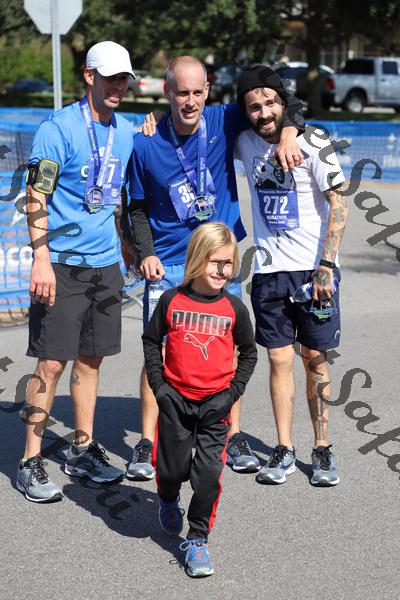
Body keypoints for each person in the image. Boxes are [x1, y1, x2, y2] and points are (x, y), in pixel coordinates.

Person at [126, 55, 305, 481]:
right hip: (169, 263)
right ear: (167, 92)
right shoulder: (145, 142)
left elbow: (289, 102)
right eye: (181, 93)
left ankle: (233, 435)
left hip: (221, 260)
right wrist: (145, 252)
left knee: (225, 350)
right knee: (158, 352)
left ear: (208, 90)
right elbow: (136, 206)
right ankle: (147, 441)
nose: (190, 101)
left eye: (197, 92)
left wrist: (289, 133)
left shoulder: (224, 120)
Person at [16, 41, 136, 502]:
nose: (118, 86)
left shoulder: (125, 132)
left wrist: (125, 244)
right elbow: (36, 196)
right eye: (110, 78)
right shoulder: (58, 129)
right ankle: (30, 460)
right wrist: (40, 258)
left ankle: (82, 449)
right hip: (62, 266)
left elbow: (116, 196)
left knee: (90, 360)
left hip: (105, 267)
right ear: (89, 76)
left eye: (124, 78)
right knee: (51, 363)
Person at [235, 65, 349, 486]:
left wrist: (327, 265)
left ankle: (322, 448)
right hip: (269, 271)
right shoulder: (244, 141)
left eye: (270, 103)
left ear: (283, 103)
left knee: (315, 359)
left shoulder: (314, 141)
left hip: (314, 270)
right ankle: (284, 448)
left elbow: (340, 204)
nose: (264, 112)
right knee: (279, 360)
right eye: (254, 106)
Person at [143, 222, 257, 577]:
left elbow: (249, 354)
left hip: (215, 406)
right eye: (215, 262)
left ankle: (197, 539)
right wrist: (160, 387)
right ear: (196, 259)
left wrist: (231, 394)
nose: (222, 270)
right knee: (171, 470)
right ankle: (167, 498)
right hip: (175, 401)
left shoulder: (234, 308)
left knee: (208, 476)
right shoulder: (171, 301)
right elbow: (151, 341)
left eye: (228, 263)